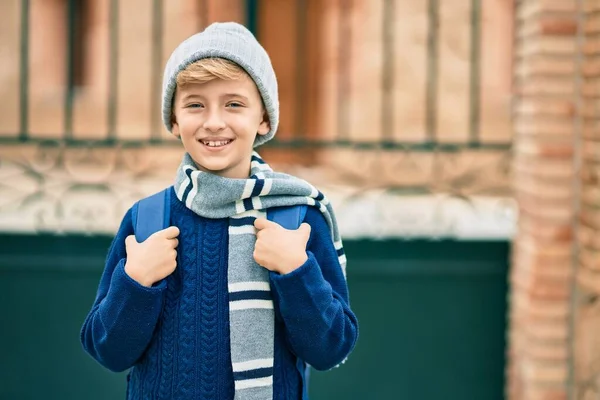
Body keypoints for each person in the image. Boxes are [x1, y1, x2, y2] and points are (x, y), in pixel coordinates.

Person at [80, 21, 358, 400]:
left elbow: (331, 348)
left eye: (234, 104)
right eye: (195, 104)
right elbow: (107, 350)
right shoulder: (147, 220)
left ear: (263, 118)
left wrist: (296, 272)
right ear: (175, 120)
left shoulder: (295, 218)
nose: (214, 121)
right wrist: (136, 281)